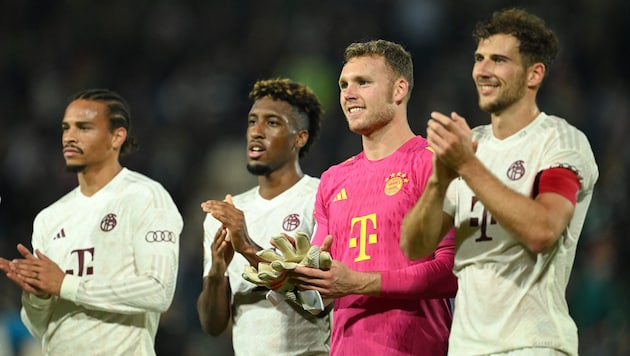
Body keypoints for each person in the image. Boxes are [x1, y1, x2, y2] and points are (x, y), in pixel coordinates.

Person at [400, 8, 599, 356]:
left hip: (532, 344)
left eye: (499, 60)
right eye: (479, 58)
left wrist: (467, 166)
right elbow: (415, 247)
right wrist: (438, 181)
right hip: (464, 347)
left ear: (534, 73)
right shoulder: (470, 143)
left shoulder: (558, 141)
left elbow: (543, 230)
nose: (483, 70)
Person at [290, 40, 458, 355]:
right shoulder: (333, 180)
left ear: (399, 90)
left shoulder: (432, 163)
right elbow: (316, 298)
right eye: (343, 85)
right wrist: (288, 276)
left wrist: (358, 283)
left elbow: (451, 270)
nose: (348, 94)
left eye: (362, 82)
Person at [0, 88, 183, 355]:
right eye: (66, 128)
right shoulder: (49, 218)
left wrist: (66, 284)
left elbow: (158, 290)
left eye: (84, 128)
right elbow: (40, 329)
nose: (69, 137)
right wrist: (38, 297)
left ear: (116, 137)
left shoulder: (145, 196)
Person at [197, 78, 330, 355]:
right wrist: (217, 271)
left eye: (272, 123)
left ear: (299, 138)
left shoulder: (320, 197)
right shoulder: (226, 215)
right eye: (252, 121)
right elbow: (212, 324)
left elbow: (318, 302)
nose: (256, 132)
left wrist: (248, 248)